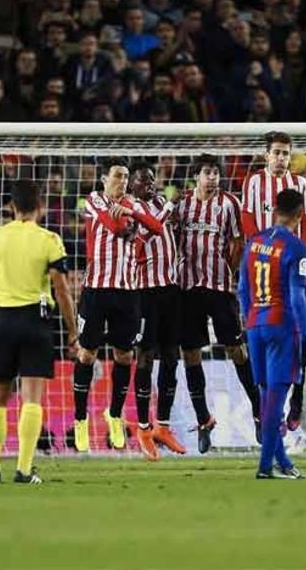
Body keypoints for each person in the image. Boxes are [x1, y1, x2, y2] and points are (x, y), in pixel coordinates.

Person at [0, 180, 79, 484]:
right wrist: (73, 331)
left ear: (12, 207)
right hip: (36, 320)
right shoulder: (49, 239)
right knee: (32, 398)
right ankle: (24, 469)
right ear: (40, 207)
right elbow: (62, 289)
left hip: (3, 321)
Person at [72, 157, 164, 453]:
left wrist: (128, 211)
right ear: (104, 179)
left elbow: (157, 228)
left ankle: (113, 415)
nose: (121, 181)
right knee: (87, 354)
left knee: (124, 357)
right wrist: (128, 217)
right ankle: (80, 419)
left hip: (127, 292)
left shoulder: (130, 203)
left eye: (125, 176)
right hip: (96, 290)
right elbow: (114, 227)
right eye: (116, 176)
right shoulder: (94, 199)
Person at [176, 153, 261, 452]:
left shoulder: (229, 203)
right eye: (207, 172)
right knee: (190, 354)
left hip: (221, 288)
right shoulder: (181, 205)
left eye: (216, 173)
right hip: (187, 289)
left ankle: (258, 408)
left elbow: (239, 240)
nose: (212, 177)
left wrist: (231, 267)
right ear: (196, 175)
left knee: (236, 349)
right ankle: (203, 420)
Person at [240, 131, 306, 429]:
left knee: (296, 329)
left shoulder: (300, 184)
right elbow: (246, 217)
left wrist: (304, 256)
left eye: (286, 153)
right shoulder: (253, 182)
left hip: (292, 265)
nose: (282, 158)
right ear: (266, 155)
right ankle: (270, 411)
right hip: (263, 266)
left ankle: (295, 395)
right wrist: (257, 247)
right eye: (277, 153)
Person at [238, 189, 306, 480]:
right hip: (282, 326)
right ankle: (265, 467)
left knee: (268, 399)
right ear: (300, 214)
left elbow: (242, 289)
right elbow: (296, 296)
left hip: (255, 325)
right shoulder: (296, 247)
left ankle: (283, 463)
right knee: (275, 402)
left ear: (274, 210)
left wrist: (249, 322)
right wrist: (305, 335)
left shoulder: (254, 242)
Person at [128, 161, 186, 459]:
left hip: (171, 290)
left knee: (171, 357)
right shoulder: (130, 209)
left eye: (152, 179)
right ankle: (142, 426)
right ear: (132, 184)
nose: (149, 184)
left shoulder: (162, 203)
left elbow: (169, 231)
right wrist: (168, 213)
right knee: (146, 356)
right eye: (143, 180)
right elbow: (143, 240)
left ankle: (162, 426)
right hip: (144, 292)